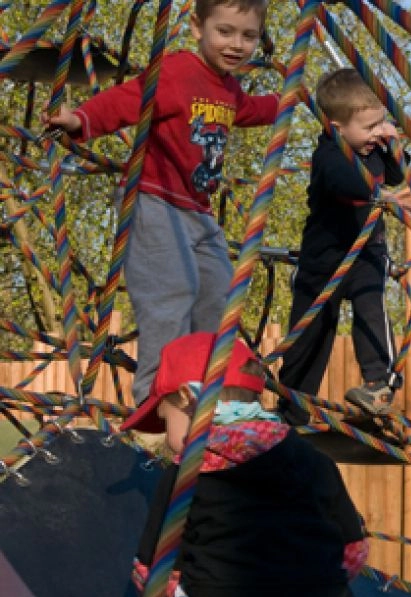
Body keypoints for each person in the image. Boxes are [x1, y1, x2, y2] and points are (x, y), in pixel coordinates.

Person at [41, 0, 280, 408]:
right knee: (173, 292)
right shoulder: (178, 71)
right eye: (225, 32)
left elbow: (248, 110)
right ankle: (157, 400)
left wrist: (284, 103)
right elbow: (129, 98)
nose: (237, 45)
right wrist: (81, 119)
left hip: (198, 213)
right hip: (154, 201)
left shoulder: (228, 87)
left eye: (249, 36)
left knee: (221, 295)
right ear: (196, 28)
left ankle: (203, 392)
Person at [122, 332, 369, 597]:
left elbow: (148, 572)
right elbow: (354, 548)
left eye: (165, 420)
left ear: (186, 397)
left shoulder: (186, 474)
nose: (167, 439)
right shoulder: (314, 459)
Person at [278, 67, 411, 423]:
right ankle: (293, 401)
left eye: (380, 122)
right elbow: (347, 183)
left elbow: (399, 172)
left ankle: (378, 383)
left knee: (371, 308)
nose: (376, 133)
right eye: (369, 127)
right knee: (311, 329)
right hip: (324, 259)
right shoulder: (329, 155)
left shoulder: (373, 148)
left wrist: (392, 141)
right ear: (337, 129)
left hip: (367, 251)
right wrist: (386, 196)